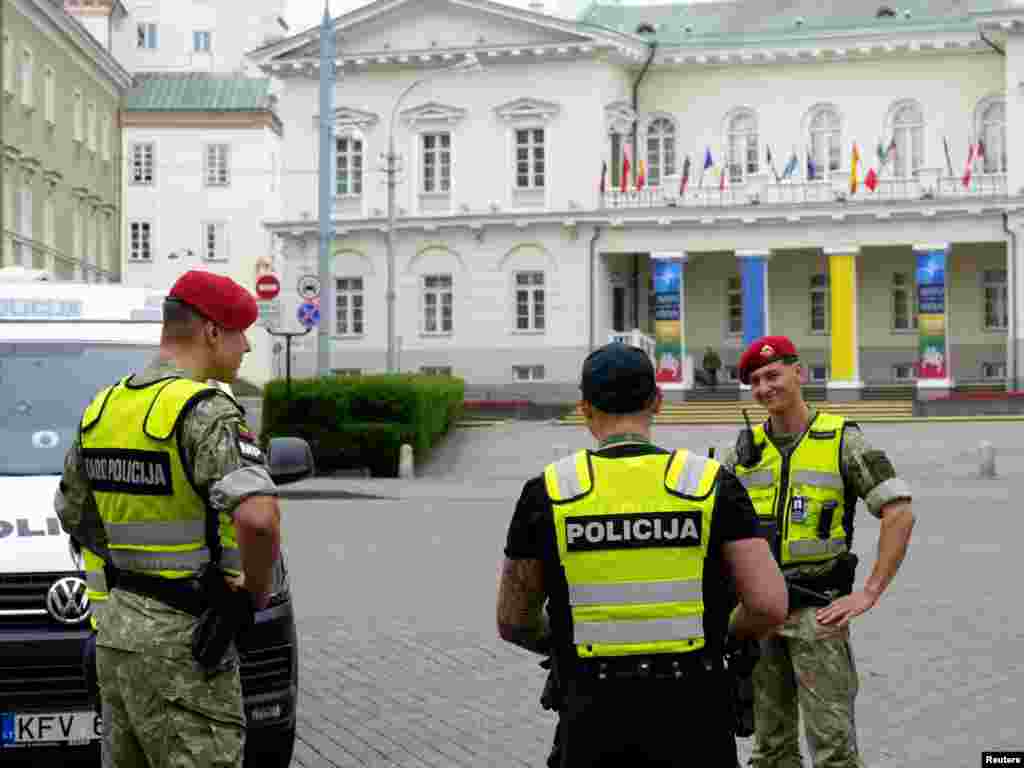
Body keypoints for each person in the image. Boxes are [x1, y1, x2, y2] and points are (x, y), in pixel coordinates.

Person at [496, 342, 788, 767]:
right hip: (695, 712)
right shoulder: (710, 484)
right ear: (657, 401)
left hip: (591, 714)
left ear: (584, 408)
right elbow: (768, 605)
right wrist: (719, 637)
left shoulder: (549, 491)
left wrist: (563, 642)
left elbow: (513, 620)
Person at [55, 270, 281, 768]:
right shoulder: (206, 411)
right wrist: (251, 596)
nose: (246, 346)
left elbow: (72, 511)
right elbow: (260, 519)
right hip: (188, 645)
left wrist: (135, 566)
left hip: (118, 638)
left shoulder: (105, 407)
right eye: (240, 333)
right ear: (212, 332)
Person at [722, 335, 916, 768]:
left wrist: (869, 592)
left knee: (834, 752)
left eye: (772, 375)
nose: (764, 388)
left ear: (798, 373)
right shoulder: (742, 452)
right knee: (769, 751)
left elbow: (899, 511)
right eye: (755, 381)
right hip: (759, 616)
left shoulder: (842, 439)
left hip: (818, 615)